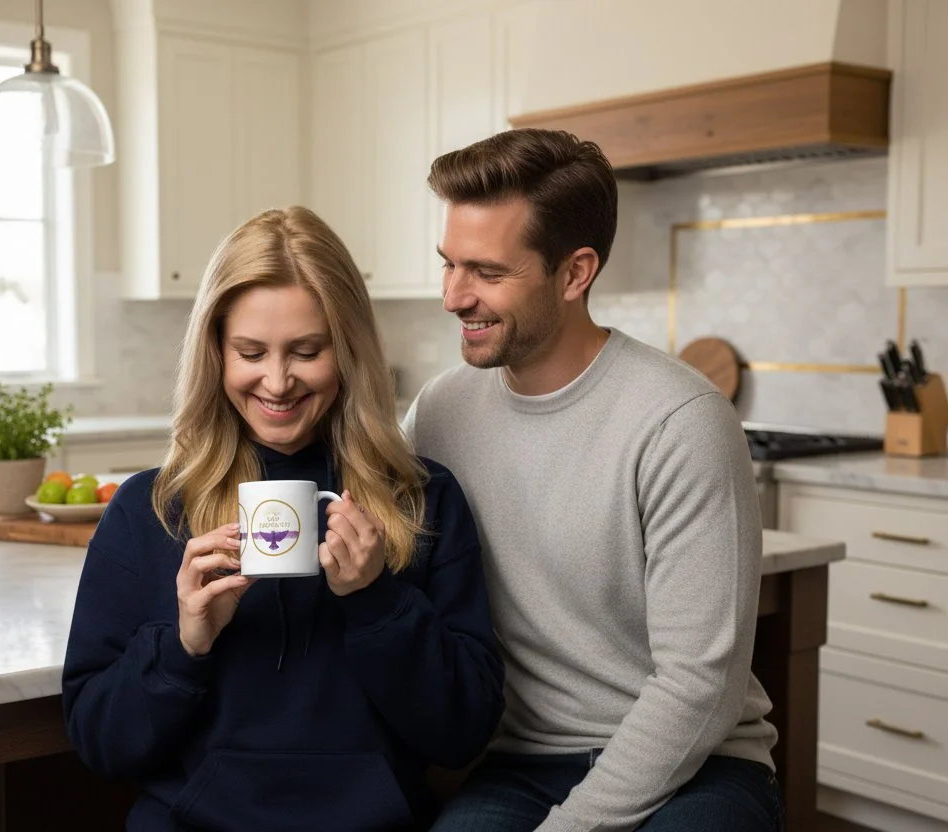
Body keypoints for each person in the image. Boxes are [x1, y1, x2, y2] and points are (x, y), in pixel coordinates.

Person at [62, 206, 505, 831]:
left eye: (306, 351)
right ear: (215, 353)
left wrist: (377, 603)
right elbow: (100, 744)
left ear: (348, 350)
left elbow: (463, 733)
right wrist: (186, 644)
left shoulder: (423, 500)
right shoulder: (151, 510)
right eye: (250, 351)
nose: (276, 380)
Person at [405, 129, 782, 832]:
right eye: (448, 264)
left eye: (486, 272)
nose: (454, 296)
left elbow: (699, 686)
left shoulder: (681, 419)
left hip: (698, 766)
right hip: (520, 765)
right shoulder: (438, 413)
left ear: (575, 273)